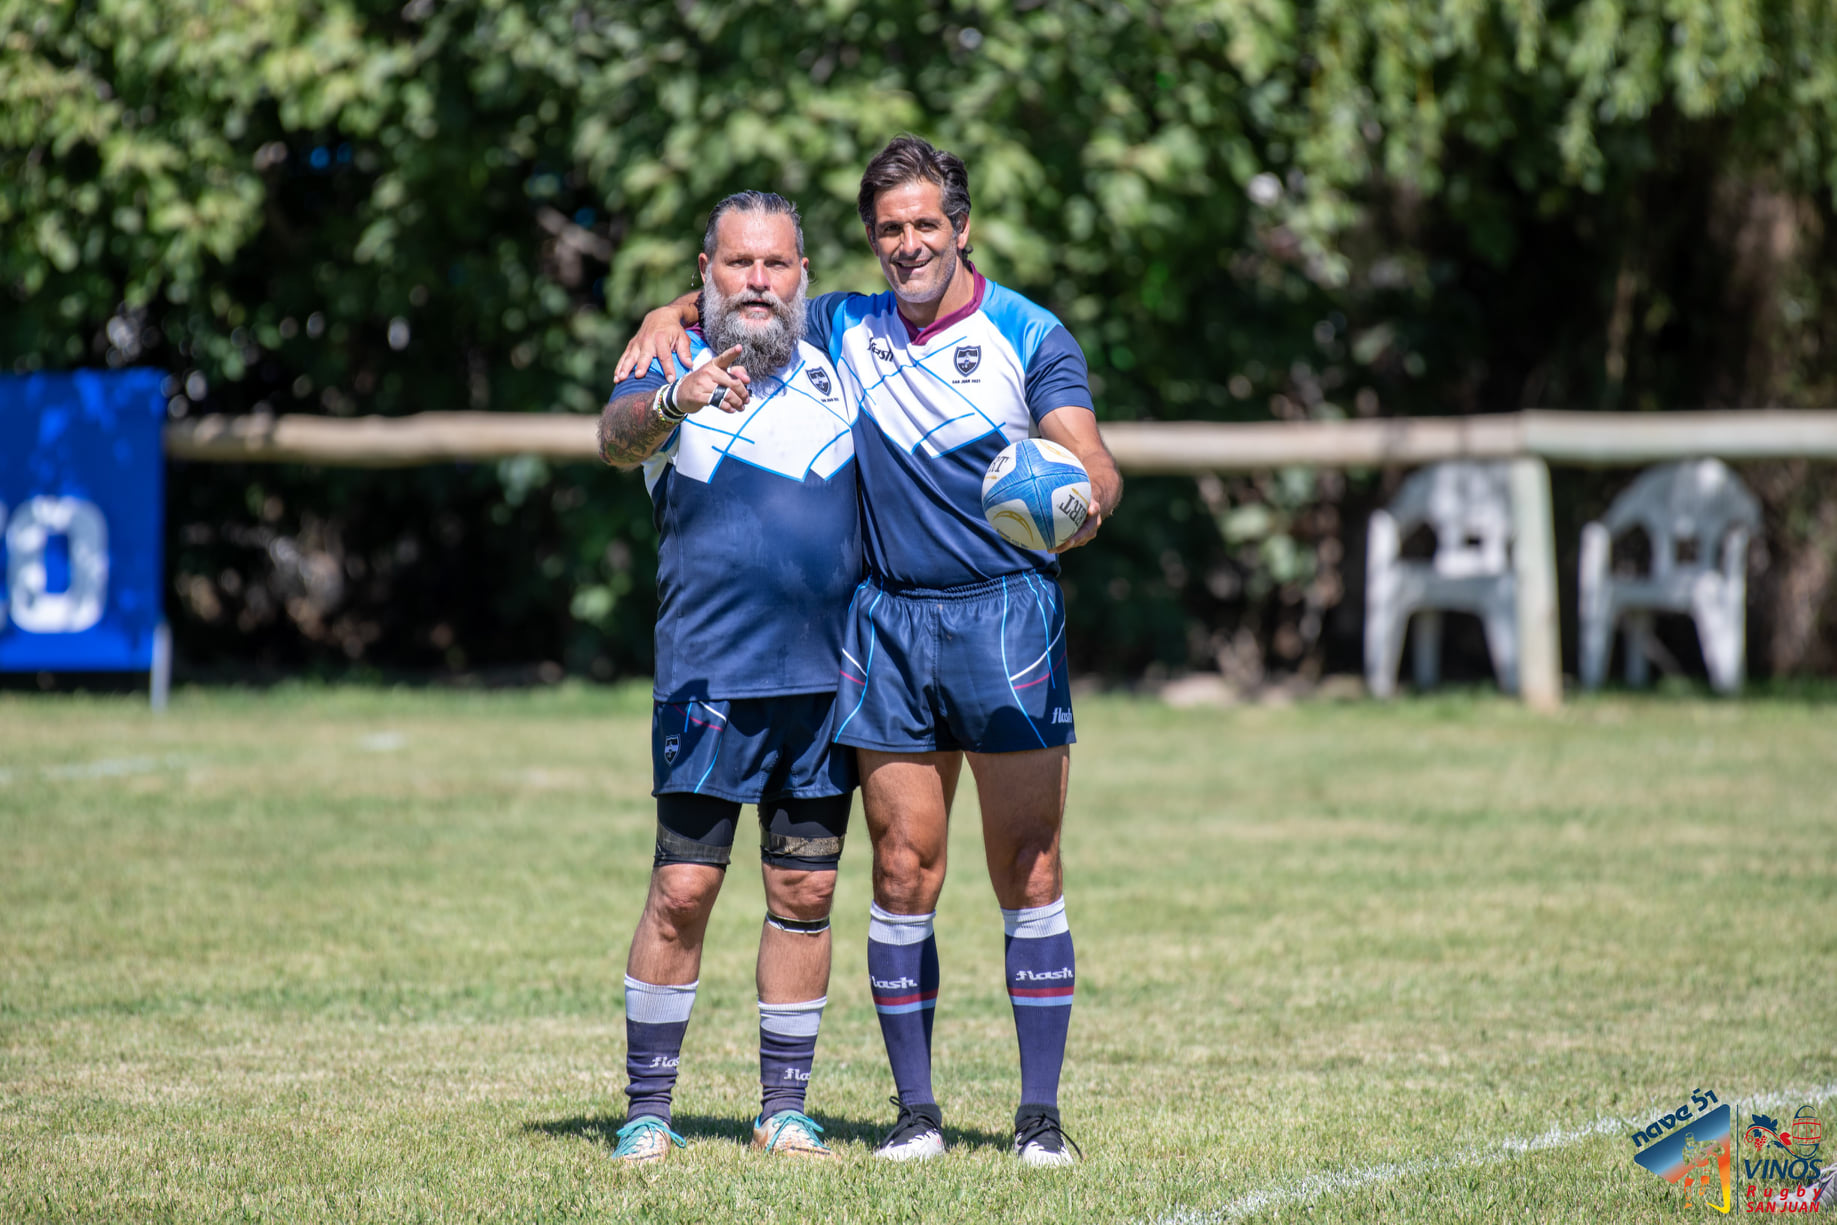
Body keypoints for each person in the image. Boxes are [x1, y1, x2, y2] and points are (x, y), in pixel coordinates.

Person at [616, 136, 1122, 1167]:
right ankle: (915, 1113)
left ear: (961, 227)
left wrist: (1085, 505)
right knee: (899, 870)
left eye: (925, 224)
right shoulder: (845, 326)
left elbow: (1090, 457)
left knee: (1026, 865)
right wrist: (664, 314)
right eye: (888, 228)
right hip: (888, 625)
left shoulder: (1029, 331)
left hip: (1006, 615)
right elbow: (741, 289)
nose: (907, 245)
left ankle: (1037, 1118)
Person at [596, 190, 861, 1164]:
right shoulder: (672, 360)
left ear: (803, 276)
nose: (757, 282)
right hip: (709, 683)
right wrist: (675, 395)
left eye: (776, 265)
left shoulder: (844, 371)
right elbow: (613, 436)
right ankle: (646, 1111)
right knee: (681, 888)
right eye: (738, 263)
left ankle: (784, 1108)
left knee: (802, 889)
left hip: (828, 691)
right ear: (704, 269)